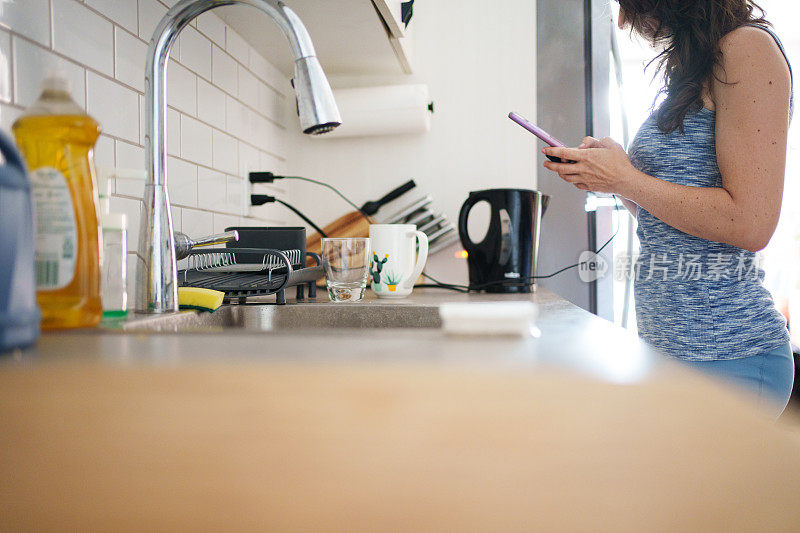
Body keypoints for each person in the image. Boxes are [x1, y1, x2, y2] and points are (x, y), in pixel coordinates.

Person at [542, 0, 794, 417]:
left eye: (626, 3)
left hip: (729, 357)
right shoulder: (695, 65)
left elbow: (750, 223)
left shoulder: (749, 50)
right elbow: (675, 227)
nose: (622, 20)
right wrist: (611, 177)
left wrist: (627, 179)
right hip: (673, 355)